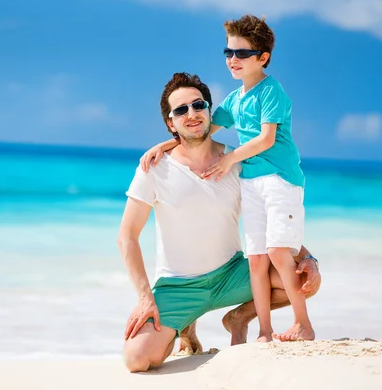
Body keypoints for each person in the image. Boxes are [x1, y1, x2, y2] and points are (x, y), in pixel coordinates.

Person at [118, 72, 321, 373]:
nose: (192, 114)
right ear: (170, 123)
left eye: (198, 105)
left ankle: (239, 318)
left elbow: (269, 223)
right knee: (138, 359)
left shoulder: (238, 162)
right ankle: (183, 325)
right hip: (178, 287)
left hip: (232, 275)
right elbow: (127, 237)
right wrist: (146, 299)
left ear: (210, 111)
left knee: (303, 282)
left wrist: (308, 258)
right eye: (181, 110)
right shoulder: (155, 168)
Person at [141, 15, 312, 343]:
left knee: (278, 253)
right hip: (251, 182)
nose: (233, 60)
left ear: (262, 58)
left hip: (279, 180)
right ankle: (263, 330)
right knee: (257, 261)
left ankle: (303, 324)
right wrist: (164, 143)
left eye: (242, 54)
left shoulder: (270, 91)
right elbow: (203, 130)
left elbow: (266, 139)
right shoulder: (235, 100)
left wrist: (229, 158)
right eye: (228, 53)